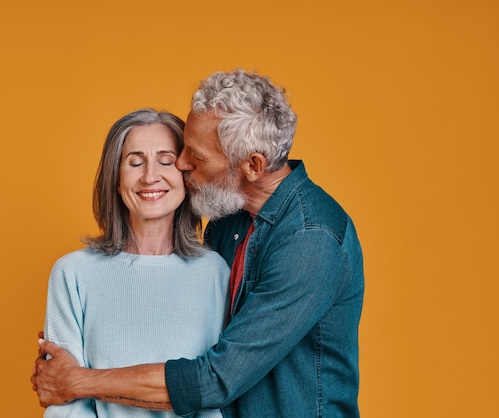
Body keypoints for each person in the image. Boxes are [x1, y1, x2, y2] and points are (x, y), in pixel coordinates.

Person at [32, 70, 365, 418]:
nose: (181, 163)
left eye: (195, 155)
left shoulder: (311, 240)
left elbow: (215, 380)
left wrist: (78, 381)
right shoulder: (228, 223)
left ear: (252, 165)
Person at [39, 108, 230, 417]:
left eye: (166, 161)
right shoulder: (72, 273)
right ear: (116, 179)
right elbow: (64, 399)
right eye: (135, 162)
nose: (150, 176)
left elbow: (215, 394)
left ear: (187, 176)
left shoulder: (216, 273)